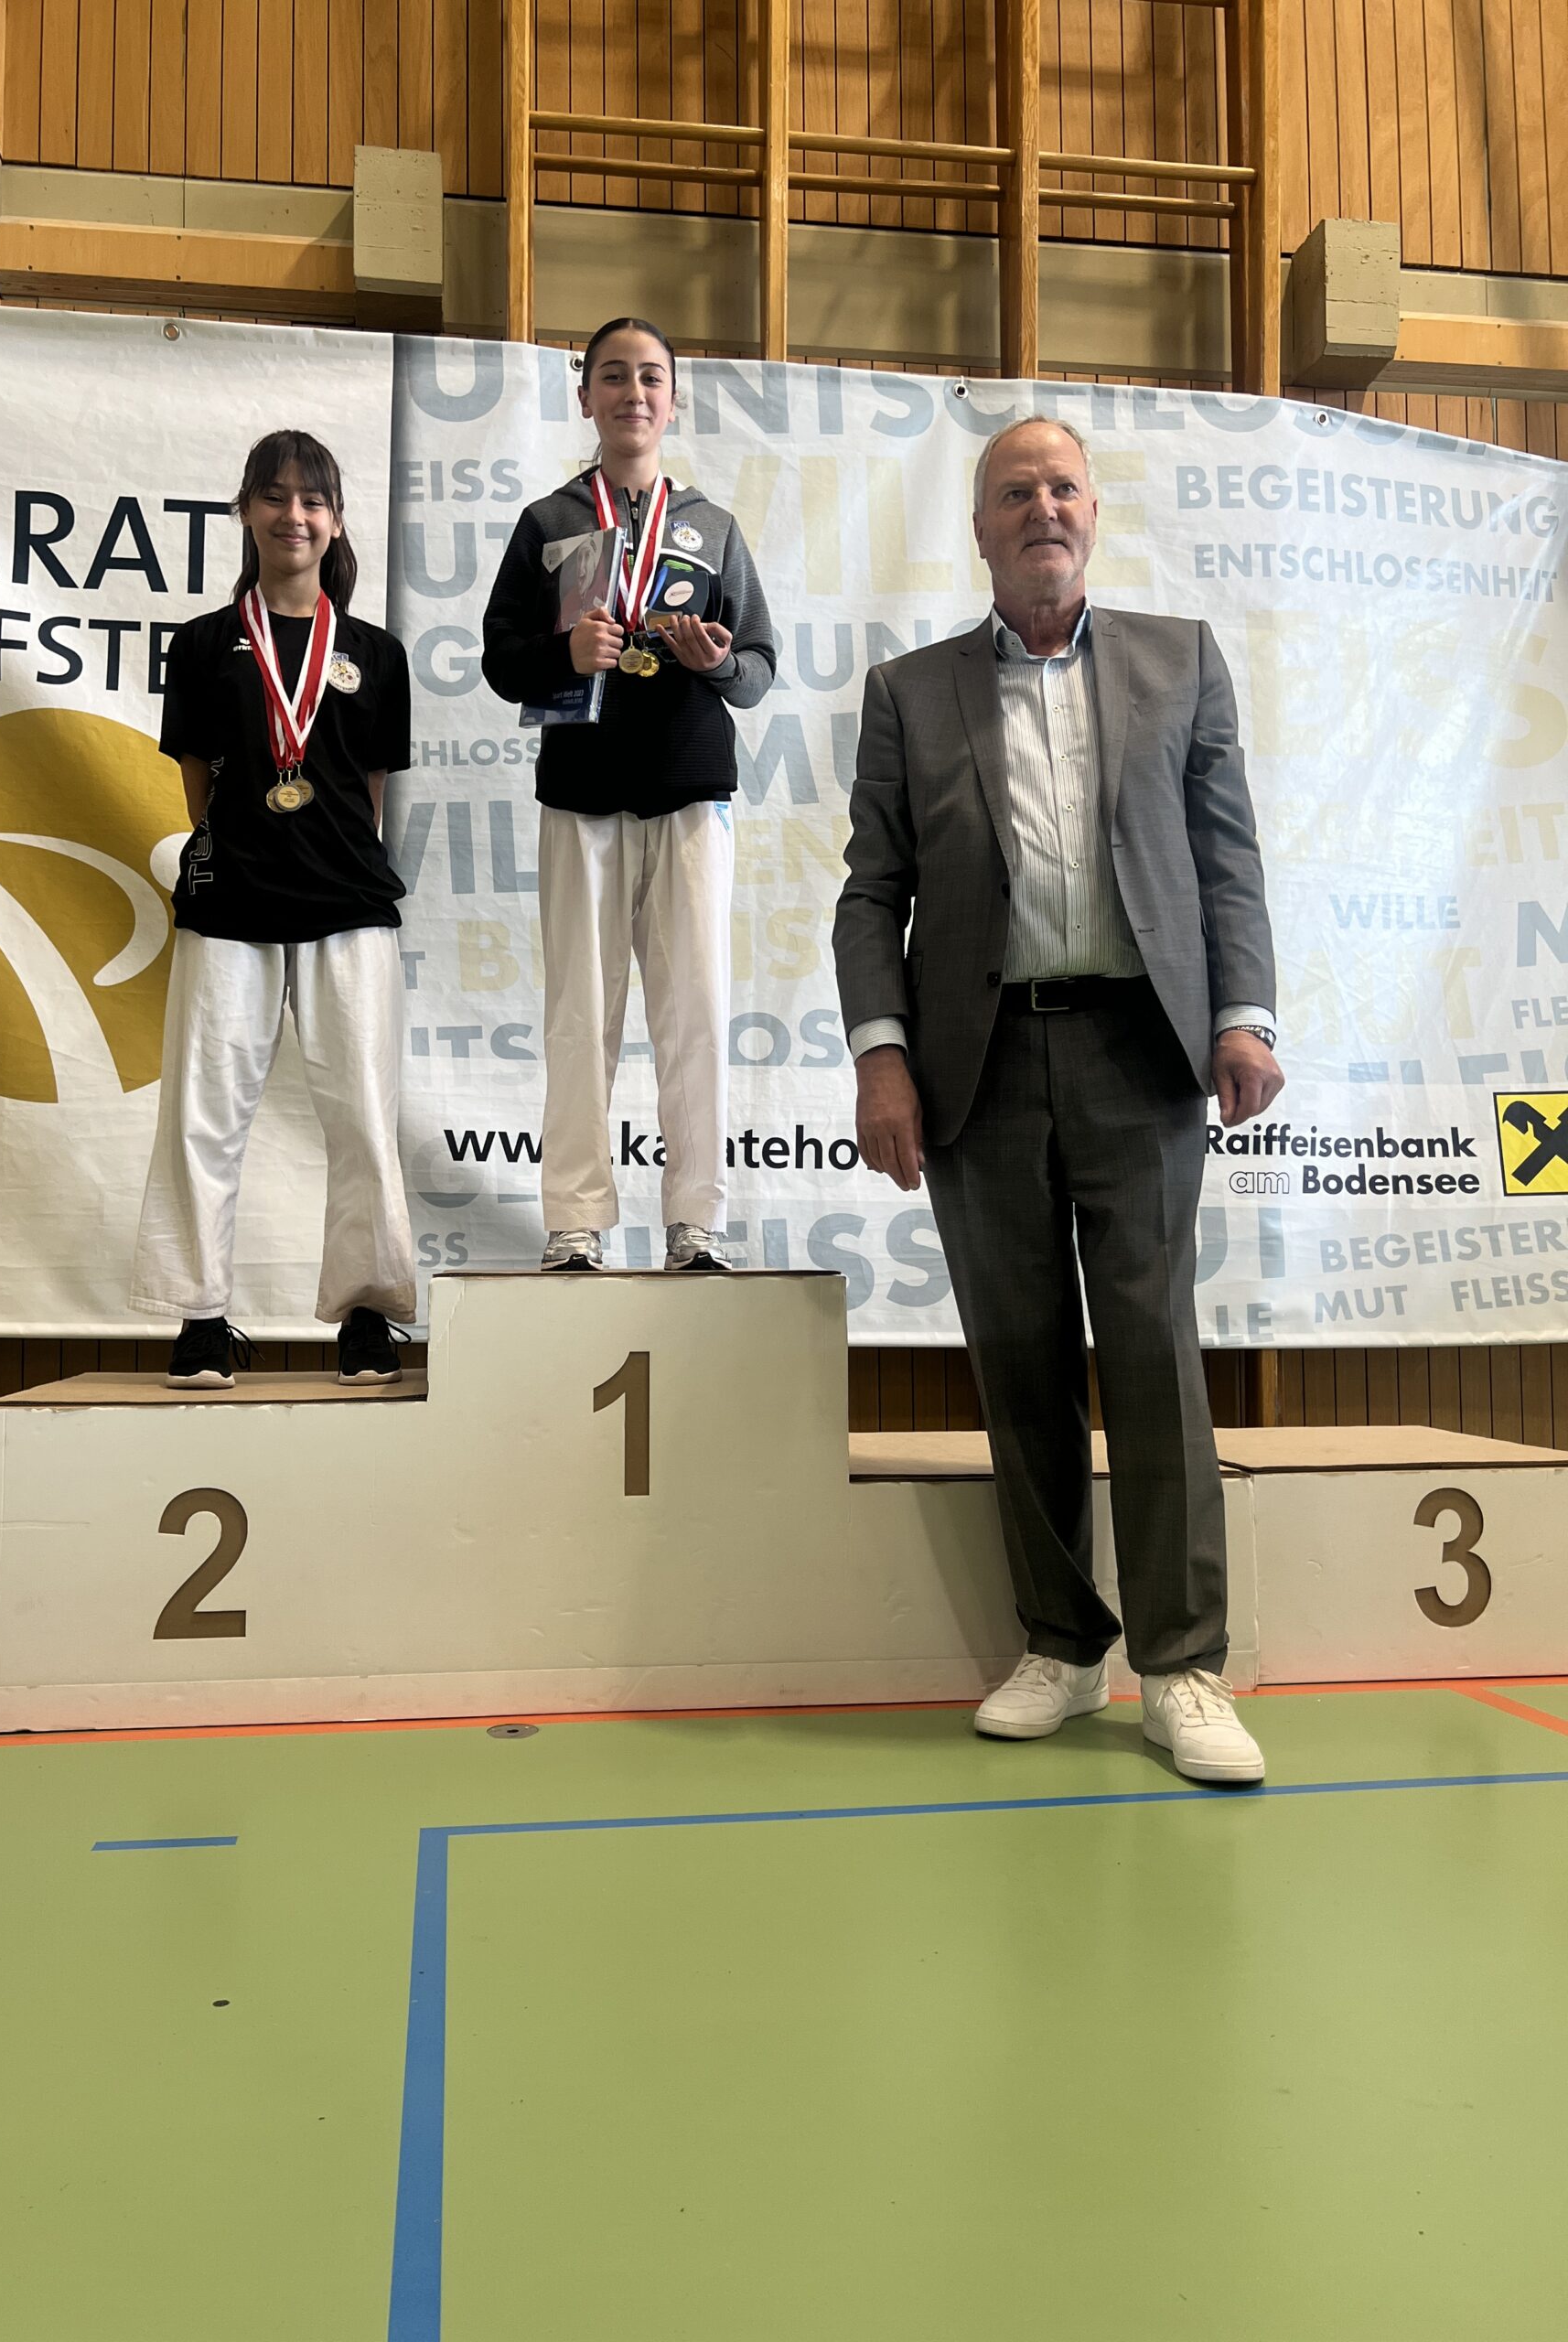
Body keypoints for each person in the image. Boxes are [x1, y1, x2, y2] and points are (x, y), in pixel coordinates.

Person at [833, 416, 1283, 1786]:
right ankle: (1061, 1644)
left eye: (1064, 487)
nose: (1044, 507)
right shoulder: (911, 693)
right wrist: (881, 1055)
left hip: (1140, 1055)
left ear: (1094, 514)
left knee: (1152, 1353)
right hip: (977, 1067)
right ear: (979, 528)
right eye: (1015, 491)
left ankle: (1184, 1666)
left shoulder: (1180, 660)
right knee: (1017, 1357)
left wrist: (1245, 1015)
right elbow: (872, 894)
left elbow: (1227, 859)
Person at [480, 317, 776, 1273]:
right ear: (585, 398)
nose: (633, 393)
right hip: (582, 796)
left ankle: (697, 1222)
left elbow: (759, 667)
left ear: (673, 401)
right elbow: (500, 658)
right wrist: (562, 653)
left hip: (691, 793)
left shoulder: (713, 527)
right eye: (613, 376)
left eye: (651, 377)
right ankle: (575, 1223)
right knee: (580, 1015)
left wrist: (717, 662)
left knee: (696, 1014)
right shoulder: (548, 522)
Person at [131, 428, 415, 1387]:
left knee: (362, 1116)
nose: (295, 515)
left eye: (313, 500)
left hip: (350, 905)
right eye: (276, 496)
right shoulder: (202, 645)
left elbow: (370, 793)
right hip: (233, 905)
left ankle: (367, 1316)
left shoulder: (377, 654)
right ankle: (202, 1317)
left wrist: (325, 850)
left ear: (335, 521)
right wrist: (249, 849)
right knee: (203, 1114)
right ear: (246, 510)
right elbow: (198, 787)